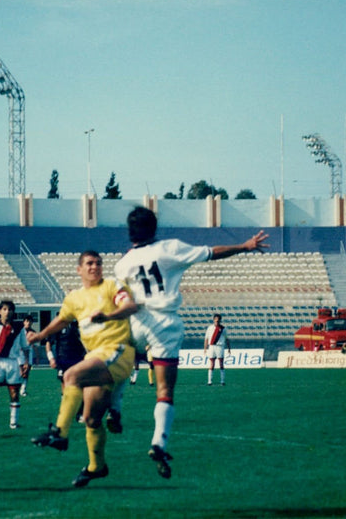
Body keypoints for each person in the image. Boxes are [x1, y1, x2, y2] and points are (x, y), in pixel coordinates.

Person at [113, 206, 269, 479]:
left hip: (137, 320)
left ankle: (114, 407)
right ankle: (158, 443)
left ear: (130, 231)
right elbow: (212, 253)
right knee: (164, 390)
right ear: (154, 227)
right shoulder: (169, 248)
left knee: (122, 361)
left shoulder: (122, 263)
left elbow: (119, 295)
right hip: (165, 323)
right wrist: (244, 246)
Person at [28, 250, 137, 487]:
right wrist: (41, 335)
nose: (94, 267)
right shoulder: (74, 298)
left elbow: (129, 306)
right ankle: (97, 467)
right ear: (79, 269)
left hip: (118, 351)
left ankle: (60, 433)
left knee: (71, 375)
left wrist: (108, 316)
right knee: (91, 418)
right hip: (96, 356)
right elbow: (63, 319)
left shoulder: (111, 286)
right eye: (89, 263)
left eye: (98, 263)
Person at [0, 300, 30, 429]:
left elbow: (25, 346)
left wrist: (25, 362)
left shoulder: (19, 328)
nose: (7, 312)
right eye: (5, 309)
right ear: (0, 311)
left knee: (14, 394)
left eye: (10, 309)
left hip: (12, 363)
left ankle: (13, 423)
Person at [43, 321, 86, 423]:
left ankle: (80, 413)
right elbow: (48, 343)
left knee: (80, 387)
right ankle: (66, 414)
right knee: (65, 388)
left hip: (78, 360)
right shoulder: (59, 325)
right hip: (63, 361)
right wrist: (51, 358)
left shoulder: (81, 324)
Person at [203, 314, 231, 386]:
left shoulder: (223, 329)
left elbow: (227, 339)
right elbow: (206, 338)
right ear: (213, 320)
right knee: (212, 364)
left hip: (220, 346)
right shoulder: (210, 328)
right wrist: (205, 348)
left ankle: (222, 381)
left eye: (218, 320)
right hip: (212, 347)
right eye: (215, 320)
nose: (217, 322)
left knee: (221, 364)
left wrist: (229, 348)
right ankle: (210, 381)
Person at [19, 315, 36, 397]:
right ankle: (16, 388)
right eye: (27, 321)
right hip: (20, 354)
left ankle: (23, 390)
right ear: (24, 322)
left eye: (30, 321)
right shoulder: (19, 332)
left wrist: (37, 356)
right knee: (20, 372)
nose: (28, 323)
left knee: (26, 373)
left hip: (29, 354)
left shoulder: (33, 332)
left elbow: (34, 345)